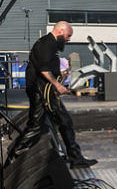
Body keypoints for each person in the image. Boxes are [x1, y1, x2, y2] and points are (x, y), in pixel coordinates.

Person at [12, 21, 95, 168]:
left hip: (45, 91)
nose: (69, 39)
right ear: (60, 31)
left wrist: (59, 74)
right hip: (42, 92)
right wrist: (58, 85)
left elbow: (45, 67)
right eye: (68, 35)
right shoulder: (47, 44)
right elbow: (43, 70)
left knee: (64, 121)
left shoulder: (49, 44)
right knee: (36, 126)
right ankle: (12, 159)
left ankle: (76, 158)